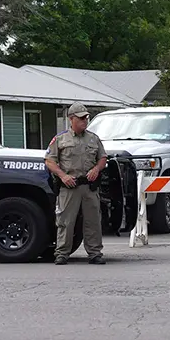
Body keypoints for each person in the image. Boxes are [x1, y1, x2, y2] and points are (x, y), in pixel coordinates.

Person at [44, 102, 109, 265]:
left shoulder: (93, 138)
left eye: (86, 118)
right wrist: (62, 176)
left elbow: (102, 157)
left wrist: (96, 169)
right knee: (65, 221)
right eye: (80, 118)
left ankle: (95, 253)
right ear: (71, 119)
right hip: (69, 186)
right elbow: (49, 161)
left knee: (93, 221)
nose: (84, 121)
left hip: (89, 186)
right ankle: (62, 253)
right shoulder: (60, 139)